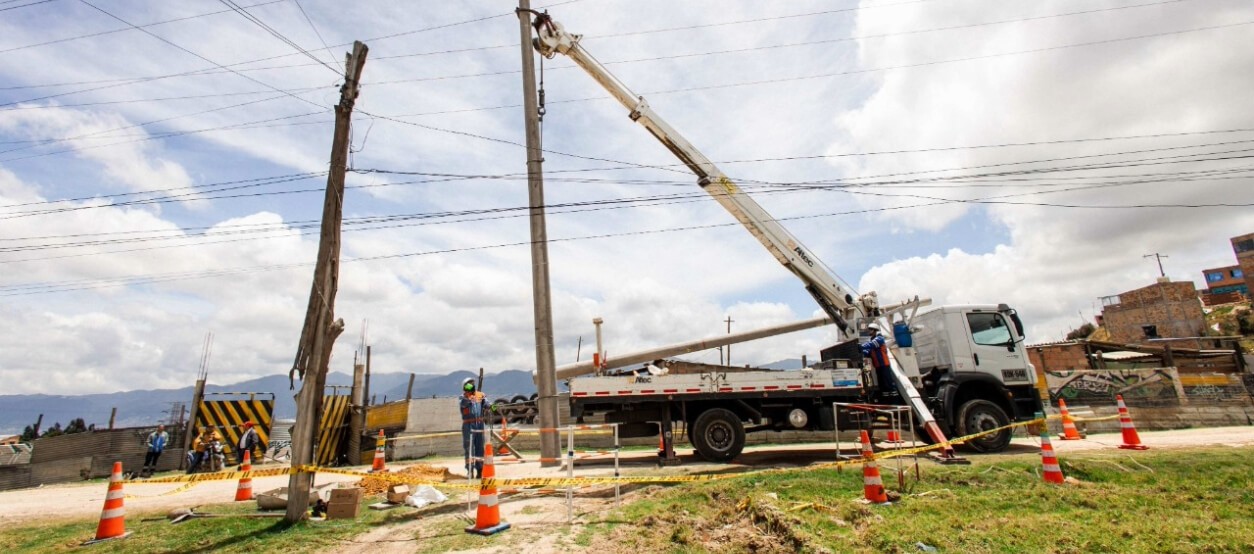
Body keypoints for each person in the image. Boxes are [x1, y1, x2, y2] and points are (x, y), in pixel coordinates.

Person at [459, 378, 490, 478]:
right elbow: (465, 403)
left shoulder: (480, 395)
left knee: (480, 448)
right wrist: (473, 396)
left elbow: (486, 404)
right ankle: (470, 470)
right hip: (468, 425)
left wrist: (489, 405)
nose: (471, 385)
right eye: (469, 384)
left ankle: (480, 469)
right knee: (469, 448)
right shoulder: (463, 397)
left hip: (480, 424)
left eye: (472, 384)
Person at [861, 324, 896, 399]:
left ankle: (894, 400)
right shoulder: (873, 340)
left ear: (875, 330)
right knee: (882, 384)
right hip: (878, 366)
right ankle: (886, 400)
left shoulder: (879, 339)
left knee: (888, 384)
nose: (869, 331)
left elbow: (871, 345)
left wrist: (861, 346)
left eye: (870, 329)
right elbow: (869, 352)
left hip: (884, 365)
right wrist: (863, 351)